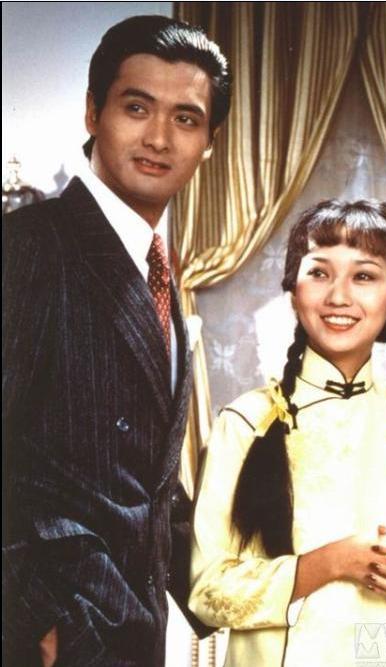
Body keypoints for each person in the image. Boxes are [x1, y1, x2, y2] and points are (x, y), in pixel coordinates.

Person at [3, 15, 230, 667]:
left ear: (208, 143)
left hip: (132, 630)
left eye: (185, 118)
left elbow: (148, 482)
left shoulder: (160, 269)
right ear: (92, 112)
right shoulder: (29, 248)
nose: (158, 137)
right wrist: (34, 618)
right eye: (136, 107)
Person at [189, 200, 386, 666]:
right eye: (319, 273)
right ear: (293, 292)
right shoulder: (246, 422)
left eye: (364, 276)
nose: (338, 296)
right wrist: (336, 561)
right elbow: (206, 592)